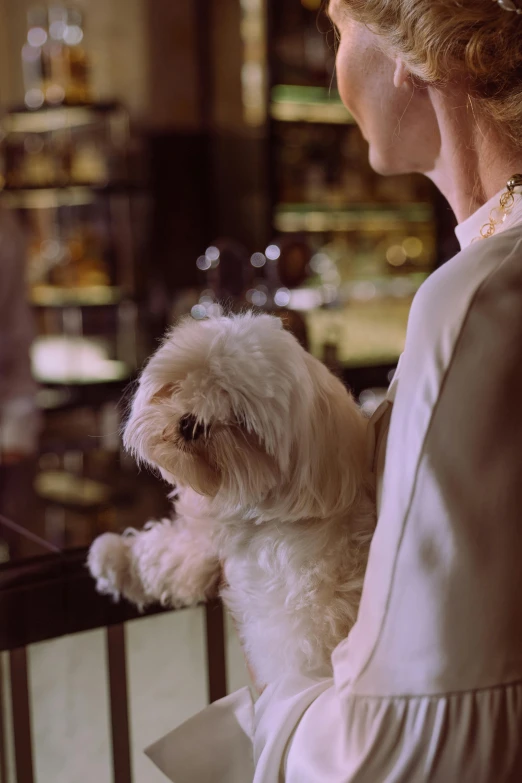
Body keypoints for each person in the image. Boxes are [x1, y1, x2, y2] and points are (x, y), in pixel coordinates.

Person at [145, 0, 522, 780]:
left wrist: (273, 693)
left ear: (415, 52)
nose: (333, 64)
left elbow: (408, 748)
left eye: (339, 28)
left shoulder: (477, 302)